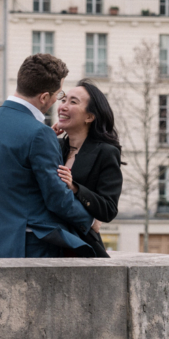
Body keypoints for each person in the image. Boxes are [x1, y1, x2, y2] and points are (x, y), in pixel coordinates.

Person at [0, 54, 94, 257]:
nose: (57, 101)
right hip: (33, 246)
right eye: (58, 95)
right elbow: (56, 197)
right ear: (44, 97)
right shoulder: (39, 133)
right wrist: (91, 219)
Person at [52, 80, 123, 258]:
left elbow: (108, 209)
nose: (63, 107)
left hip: (81, 247)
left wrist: (75, 188)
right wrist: (46, 138)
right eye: (64, 100)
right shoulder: (54, 146)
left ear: (89, 117)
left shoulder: (106, 152)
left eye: (73, 102)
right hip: (47, 244)